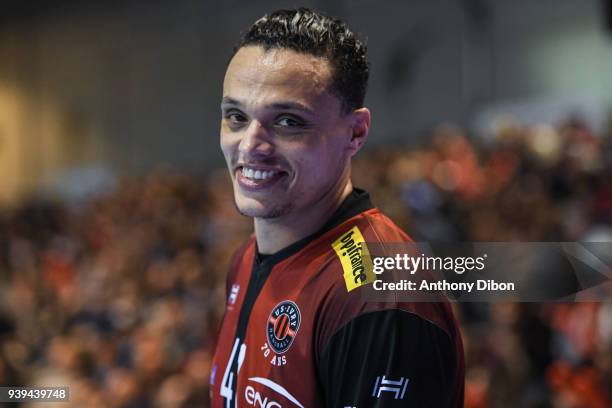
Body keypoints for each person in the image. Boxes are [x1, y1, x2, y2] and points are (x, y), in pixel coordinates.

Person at [211, 8, 464, 407]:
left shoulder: (381, 295)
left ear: (356, 132)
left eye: (288, 121)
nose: (249, 146)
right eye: (237, 117)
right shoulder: (245, 260)